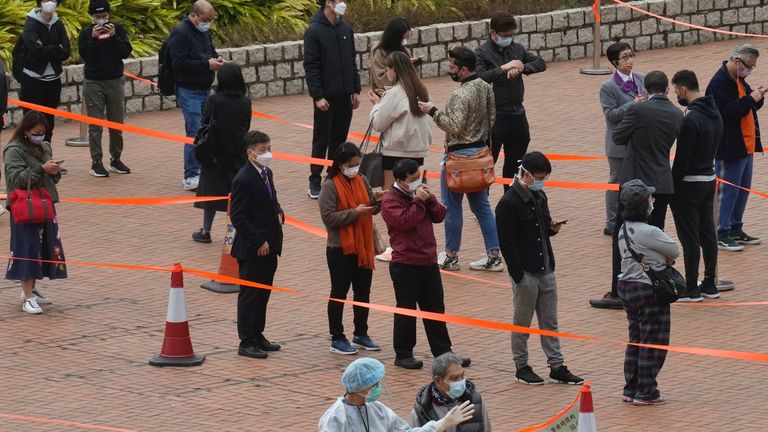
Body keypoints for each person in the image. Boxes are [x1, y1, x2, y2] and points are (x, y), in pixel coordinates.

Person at [590, 71, 683, 310]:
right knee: (655, 235)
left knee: (623, 235)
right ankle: (655, 285)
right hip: (662, 181)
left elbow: (619, 136)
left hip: (635, 183)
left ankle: (618, 291)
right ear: (667, 89)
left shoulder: (638, 109)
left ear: (645, 90)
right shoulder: (675, 113)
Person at [495, 152, 583, 386]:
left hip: (546, 268)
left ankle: (556, 365)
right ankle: (521, 365)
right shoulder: (508, 203)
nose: (542, 182)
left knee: (550, 321)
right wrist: (518, 275)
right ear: (525, 174)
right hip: (526, 272)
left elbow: (543, 225)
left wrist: (551, 228)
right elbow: (507, 243)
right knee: (522, 323)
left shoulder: (539, 196)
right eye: (539, 177)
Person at [417, 47, 502, 273]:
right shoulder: (485, 87)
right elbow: (491, 118)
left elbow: (453, 126)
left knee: (452, 207)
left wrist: (432, 110)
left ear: (463, 70)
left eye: (452, 67)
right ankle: (494, 255)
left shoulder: (459, 94)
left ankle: (451, 255)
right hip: (480, 155)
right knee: (482, 207)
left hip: (458, 159)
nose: (450, 70)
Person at [381, 159, 470, 370]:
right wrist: (418, 201)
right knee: (406, 310)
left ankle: (443, 352)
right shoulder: (390, 200)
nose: (416, 182)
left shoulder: (419, 195)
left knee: (435, 308)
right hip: (406, 263)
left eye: (419, 177)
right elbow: (404, 222)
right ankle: (403, 354)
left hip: (428, 260)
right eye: (412, 180)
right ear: (400, 180)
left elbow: (439, 215)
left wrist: (429, 199)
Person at [616, 179, 679, 406]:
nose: (652, 200)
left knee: (636, 339)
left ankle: (631, 387)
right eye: (649, 198)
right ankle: (647, 391)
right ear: (644, 205)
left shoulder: (623, 228)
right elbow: (674, 249)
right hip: (648, 290)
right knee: (652, 341)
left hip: (627, 288)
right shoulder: (650, 231)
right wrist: (664, 259)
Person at [318, 142, 383, 355]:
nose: (355, 168)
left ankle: (361, 333)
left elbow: (371, 207)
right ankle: (337, 337)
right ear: (341, 164)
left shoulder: (362, 179)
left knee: (363, 292)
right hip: (340, 248)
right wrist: (355, 213)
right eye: (352, 164)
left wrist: (378, 201)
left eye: (358, 164)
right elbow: (328, 217)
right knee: (339, 292)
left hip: (363, 246)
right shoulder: (330, 185)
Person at [4, 111, 66, 314]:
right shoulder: (13, 150)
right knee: (27, 249)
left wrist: (55, 172)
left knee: (44, 248)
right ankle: (27, 297)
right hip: (25, 207)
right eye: (36, 133)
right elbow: (16, 180)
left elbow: (50, 178)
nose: (40, 136)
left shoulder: (45, 147)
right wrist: (41, 169)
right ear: (25, 132)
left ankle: (32, 289)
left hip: (45, 205)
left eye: (43, 133)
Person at [475, 12, 546, 192]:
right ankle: (481, 204)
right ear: (493, 33)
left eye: (510, 35)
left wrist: (522, 67)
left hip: (517, 115)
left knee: (515, 163)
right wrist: (502, 68)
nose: (508, 38)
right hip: (494, 116)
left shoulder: (517, 49)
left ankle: (512, 199)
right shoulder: (481, 53)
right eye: (504, 35)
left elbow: (540, 62)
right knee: (488, 162)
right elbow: (479, 77)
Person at [229, 131, 284, 359]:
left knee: (264, 292)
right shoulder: (243, 179)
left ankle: (258, 333)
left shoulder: (266, 173)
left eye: (268, 148)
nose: (267, 154)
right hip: (253, 247)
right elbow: (238, 217)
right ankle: (246, 340)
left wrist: (279, 210)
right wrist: (258, 240)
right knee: (251, 294)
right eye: (262, 151)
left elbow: (272, 198)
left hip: (270, 243)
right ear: (250, 153)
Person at [706, 43, 764, 251]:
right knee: (727, 191)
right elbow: (726, 113)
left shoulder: (738, 79)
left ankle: (735, 227)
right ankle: (721, 232)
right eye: (750, 65)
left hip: (746, 146)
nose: (750, 70)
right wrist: (750, 99)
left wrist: (757, 97)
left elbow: (749, 104)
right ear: (738, 62)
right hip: (730, 148)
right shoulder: (719, 83)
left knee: (742, 190)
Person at [670, 70, 723, 302]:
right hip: (709, 179)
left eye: (676, 91)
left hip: (689, 183)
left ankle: (691, 286)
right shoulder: (715, 113)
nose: (677, 96)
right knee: (708, 233)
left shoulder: (691, 119)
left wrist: (672, 185)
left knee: (689, 235)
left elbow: (682, 159)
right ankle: (710, 282)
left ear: (682, 90)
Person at [318, 357, 475, 431]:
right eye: (375, 384)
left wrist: (440, 424)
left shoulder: (378, 410)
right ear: (361, 387)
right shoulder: (336, 418)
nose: (378, 388)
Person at [303, 0, 361, 199]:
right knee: (321, 138)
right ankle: (314, 179)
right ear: (328, 3)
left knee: (339, 139)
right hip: (325, 98)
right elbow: (311, 66)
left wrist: (355, 90)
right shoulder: (314, 31)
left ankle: (333, 176)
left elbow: (351, 60)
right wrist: (318, 96)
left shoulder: (345, 28)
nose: (343, 4)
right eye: (339, 1)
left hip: (345, 95)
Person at [167, 0, 224, 191]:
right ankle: (191, 174)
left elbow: (209, 51)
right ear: (193, 15)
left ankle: (204, 170)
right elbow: (179, 64)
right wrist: (206, 65)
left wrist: (217, 59)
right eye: (205, 19)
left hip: (205, 88)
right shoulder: (180, 34)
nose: (207, 23)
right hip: (188, 90)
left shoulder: (204, 31)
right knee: (194, 131)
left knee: (206, 130)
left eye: (210, 20)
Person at [192, 63, 252, 243]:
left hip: (215, 154)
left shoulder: (214, 100)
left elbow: (204, 123)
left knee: (211, 194)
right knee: (235, 195)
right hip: (238, 153)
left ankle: (206, 231)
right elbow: (246, 125)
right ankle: (233, 233)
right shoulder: (245, 102)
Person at [78, 0, 133, 177]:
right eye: (97, 17)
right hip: (94, 81)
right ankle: (96, 161)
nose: (101, 20)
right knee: (96, 125)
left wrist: (114, 36)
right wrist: (93, 39)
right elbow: (86, 56)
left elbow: (125, 51)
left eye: (104, 16)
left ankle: (116, 159)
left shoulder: (118, 29)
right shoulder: (86, 33)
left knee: (116, 123)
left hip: (115, 80)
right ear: (91, 17)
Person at [599, 41, 646, 236]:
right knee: (617, 182)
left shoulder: (641, 79)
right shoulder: (608, 87)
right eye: (624, 57)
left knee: (639, 180)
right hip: (619, 142)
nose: (629, 60)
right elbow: (611, 115)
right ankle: (612, 222)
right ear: (614, 62)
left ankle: (638, 217)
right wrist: (633, 105)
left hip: (640, 140)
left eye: (631, 55)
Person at [368, 51, 431, 191]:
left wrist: (377, 104)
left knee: (391, 196)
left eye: (388, 69)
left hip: (396, 152)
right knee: (412, 193)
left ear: (394, 70)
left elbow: (378, 123)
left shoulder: (394, 93)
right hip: (417, 151)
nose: (387, 72)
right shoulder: (422, 91)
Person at [17, 0, 71, 145]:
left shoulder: (58, 24)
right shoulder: (31, 24)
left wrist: (45, 47)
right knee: (31, 122)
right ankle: (30, 157)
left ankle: (46, 156)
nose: (49, 3)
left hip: (53, 81)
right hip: (32, 80)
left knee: (48, 121)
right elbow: (34, 50)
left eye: (53, 0)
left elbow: (66, 51)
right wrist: (56, 48)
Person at [410, 352, 492, 431]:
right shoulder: (422, 411)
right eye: (454, 378)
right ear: (438, 380)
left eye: (462, 376)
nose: (460, 382)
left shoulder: (475, 400)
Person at [369, 16, 421, 90]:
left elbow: (414, 77)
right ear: (394, 37)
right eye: (403, 38)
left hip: (405, 93)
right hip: (386, 97)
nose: (405, 41)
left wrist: (414, 64)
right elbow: (380, 80)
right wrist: (401, 66)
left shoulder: (404, 50)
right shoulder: (379, 53)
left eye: (407, 38)